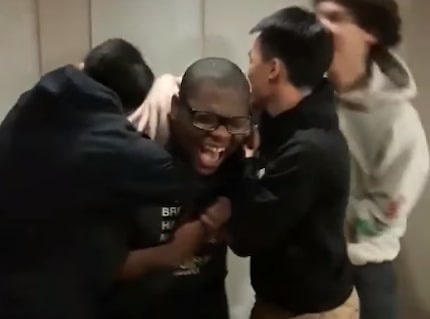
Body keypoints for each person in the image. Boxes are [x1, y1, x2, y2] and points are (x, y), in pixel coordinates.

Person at [0, 38, 217, 319]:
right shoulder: (107, 141)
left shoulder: (34, 102)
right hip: (51, 300)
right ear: (124, 107)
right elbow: (175, 179)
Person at [223, 7, 357, 318]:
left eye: (251, 60)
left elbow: (245, 236)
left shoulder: (308, 150)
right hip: (289, 300)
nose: (247, 71)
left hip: (307, 311)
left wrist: (245, 159)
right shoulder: (288, 117)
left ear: (273, 70)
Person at [109, 57, 252, 319]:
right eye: (206, 119)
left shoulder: (234, 167)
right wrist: (170, 252)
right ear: (175, 108)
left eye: (235, 123)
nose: (221, 134)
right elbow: (94, 265)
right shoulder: (133, 163)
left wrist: (232, 208)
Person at [313, 1, 429, 318]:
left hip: (362, 276)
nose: (319, 26)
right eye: (317, 15)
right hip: (304, 272)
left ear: (371, 32)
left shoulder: (398, 122)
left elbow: (379, 217)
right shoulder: (307, 94)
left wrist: (307, 209)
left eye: (334, 17)